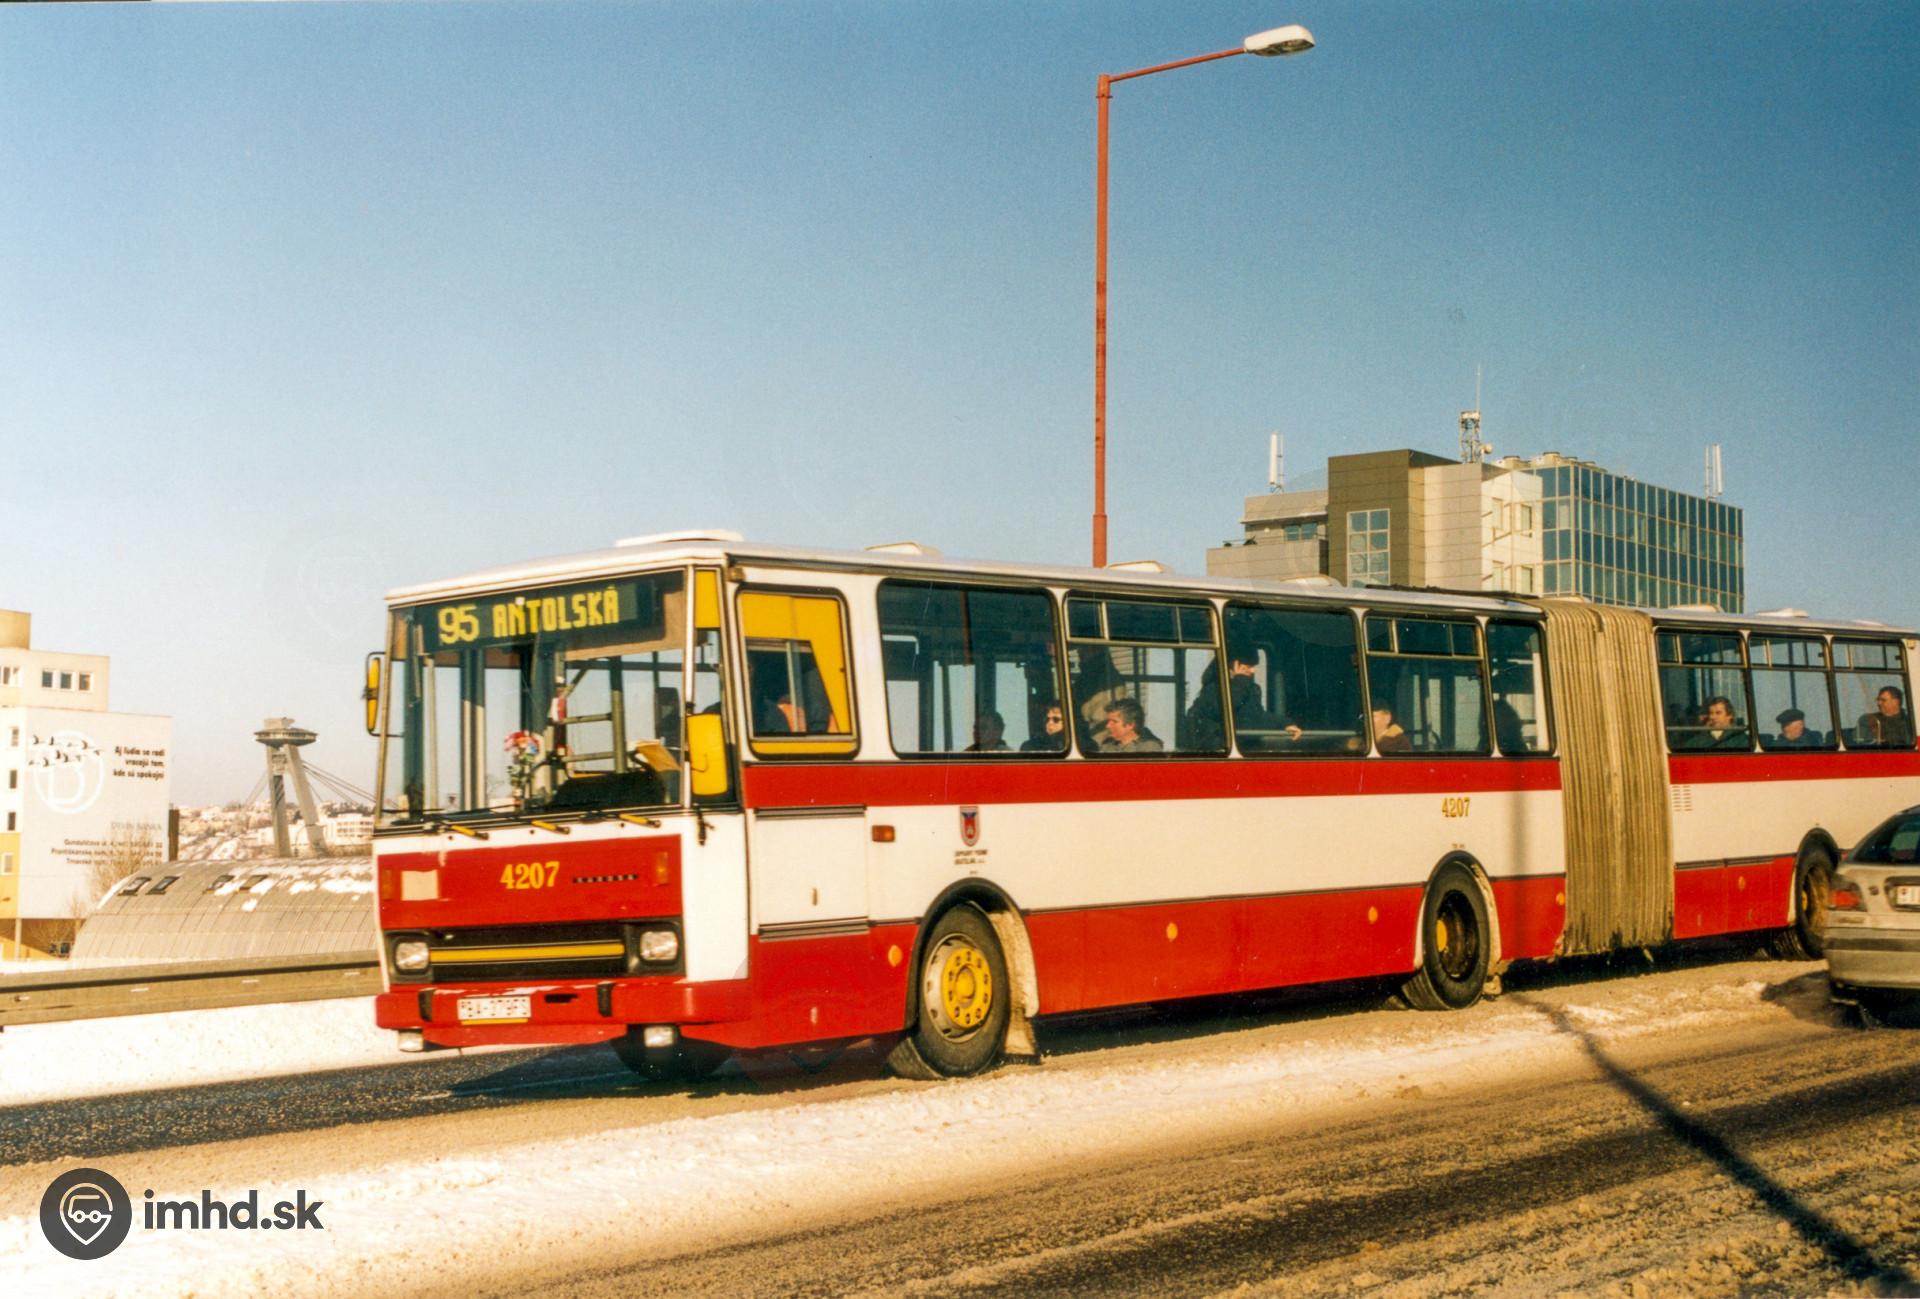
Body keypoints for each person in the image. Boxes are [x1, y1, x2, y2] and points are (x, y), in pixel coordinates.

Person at [1188, 653, 1302, 752]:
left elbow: (1257, 717)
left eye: (1253, 667)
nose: (1253, 671)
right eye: (1247, 666)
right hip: (1221, 751)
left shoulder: (1250, 689)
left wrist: (1284, 724)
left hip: (1246, 750)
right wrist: (1240, 681)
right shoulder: (1213, 690)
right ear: (1231, 668)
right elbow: (1226, 710)